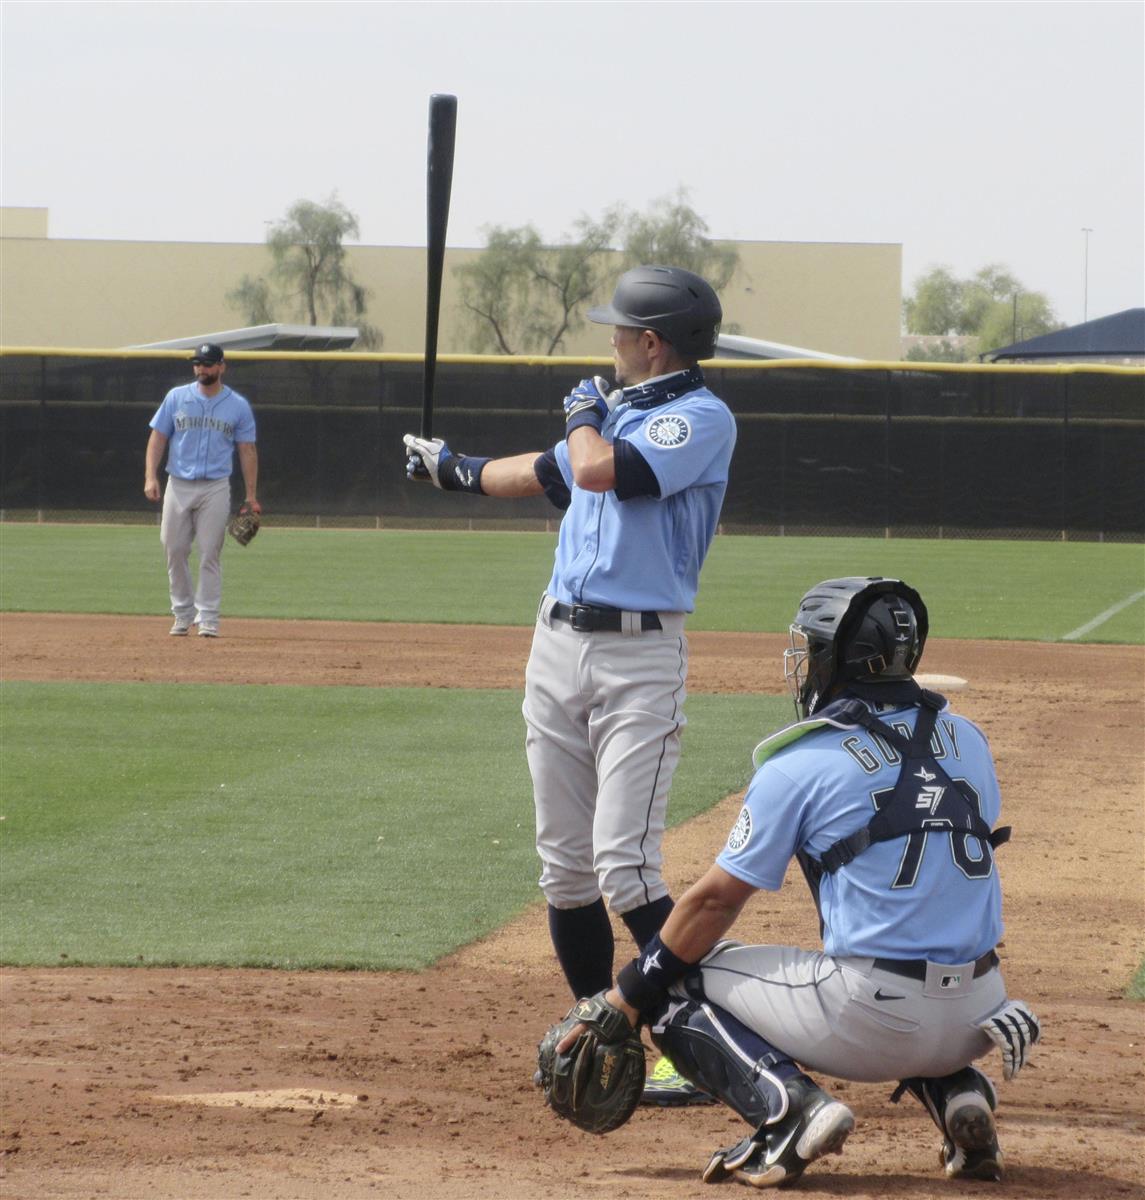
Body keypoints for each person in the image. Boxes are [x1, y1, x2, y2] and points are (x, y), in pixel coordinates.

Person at [557, 576, 1041, 1187]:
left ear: (837, 660)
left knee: (673, 975)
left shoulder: (801, 763)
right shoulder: (970, 740)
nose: (804, 664)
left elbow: (711, 903)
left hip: (875, 1020)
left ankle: (789, 1110)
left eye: (811, 649)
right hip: (980, 1014)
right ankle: (959, 1094)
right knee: (912, 941)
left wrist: (623, 999)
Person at [403, 266, 737, 1104]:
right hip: (556, 646)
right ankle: (602, 1041)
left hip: (638, 660)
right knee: (565, 870)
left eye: (620, 330)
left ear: (651, 342)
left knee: (624, 864)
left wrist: (583, 416)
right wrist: (454, 469)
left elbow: (596, 470)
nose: (612, 341)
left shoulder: (697, 418)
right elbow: (547, 473)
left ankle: (699, 1051)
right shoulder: (615, 415)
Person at [144, 343, 259, 638]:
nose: (202, 369)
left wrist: (250, 496)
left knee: (210, 552)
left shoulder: (238, 405)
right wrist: (150, 477)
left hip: (215, 487)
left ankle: (208, 617)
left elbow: (247, 450)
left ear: (222, 366)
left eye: (208, 364)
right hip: (178, 484)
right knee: (174, 548)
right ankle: (182, 613)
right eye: (198, 363)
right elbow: (158, 438)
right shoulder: (176, 397)